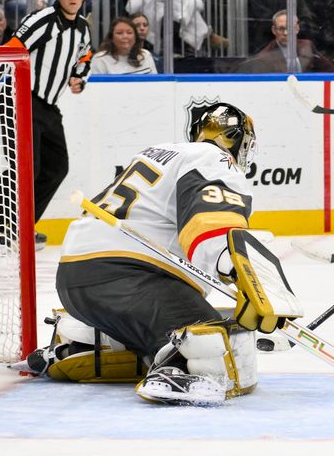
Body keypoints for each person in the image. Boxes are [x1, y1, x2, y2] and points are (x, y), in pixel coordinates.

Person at [21, 103, 300, 405]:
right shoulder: (214, 159)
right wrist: (247, 281)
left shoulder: (161, 152)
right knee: (209, 341)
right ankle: (173, 369)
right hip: (129, 277)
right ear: (236, 140)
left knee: (159, 327)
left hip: (74, 280)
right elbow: (210, 223)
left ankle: (79, 346)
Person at [0, 0, 92, 252]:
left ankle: (22, 226)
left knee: (56, 167)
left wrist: (79, 77)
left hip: (48, 105)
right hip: (20, 98)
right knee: (25, 166)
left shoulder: (82, 27)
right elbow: (9, 52)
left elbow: (85, 55)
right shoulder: (42, 20)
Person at [236, 10, 334, 73]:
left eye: (290, 28)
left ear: (297, 29)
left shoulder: (307, 45)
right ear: (274, 30)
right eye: (281, 29)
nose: (286, 33)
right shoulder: (264, 57)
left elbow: (331, 71)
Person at [91, 16, 157, 74]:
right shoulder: (100, 59)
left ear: (135, 38)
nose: (125, 36)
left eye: (129, 33)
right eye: (119, 33)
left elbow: (155, 82)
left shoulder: (146, 55)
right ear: (111, 38)